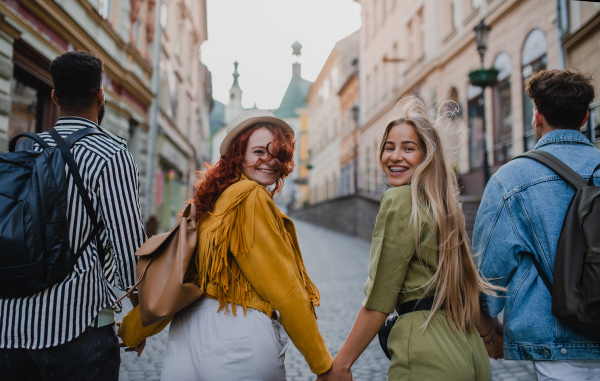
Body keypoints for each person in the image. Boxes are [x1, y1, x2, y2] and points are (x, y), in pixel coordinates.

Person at [321, 97, 501, 381]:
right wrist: (489, 333)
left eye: (409, 148)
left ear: (427, 155)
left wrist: (341, 364)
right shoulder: (443, 208)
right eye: (388, 147)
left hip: (426, 353)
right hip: (470, 353)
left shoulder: (400, 200)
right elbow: (464, 286)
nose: (395, 156)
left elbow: (380, 298)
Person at [0, 51, 146, 380]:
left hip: (8, 327)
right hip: (75, 328)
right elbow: (130, 251)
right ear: (100, 96)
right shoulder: (111, 154)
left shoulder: (25, 149)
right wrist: (144, 317)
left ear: (54, 97)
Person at [157, 109, 332, 380]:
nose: (270, 161)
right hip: (236, 337)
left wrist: (136, 328)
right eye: (259, 152)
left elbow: (176, 278)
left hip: (183, 337)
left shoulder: (207, 202)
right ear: (239, 154)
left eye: (277, 154)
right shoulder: (250, 196)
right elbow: (285, 290)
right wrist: (323, 366)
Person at [473, 69, 600, 380]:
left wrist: (488, 328)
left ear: (536, 117)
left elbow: (487, 273)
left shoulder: (510, 180)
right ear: (584, 118)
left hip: (556, 347)